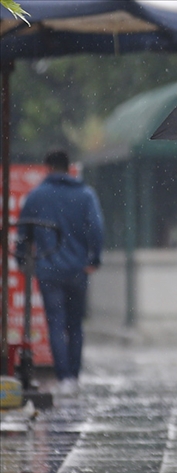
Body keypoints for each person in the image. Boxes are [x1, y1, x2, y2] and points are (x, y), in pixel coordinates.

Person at [16, 149, 104, 398]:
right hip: (78, 270)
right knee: (75, 325)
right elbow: (96, 229)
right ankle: (74, 377)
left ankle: (63, 377)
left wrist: (21, 259)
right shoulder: (86, 195)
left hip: (48, 270)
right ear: (68, 168)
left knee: (55, 323)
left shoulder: (36, 196)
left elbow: (23, 232)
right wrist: (93, 258)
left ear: (48, 167)